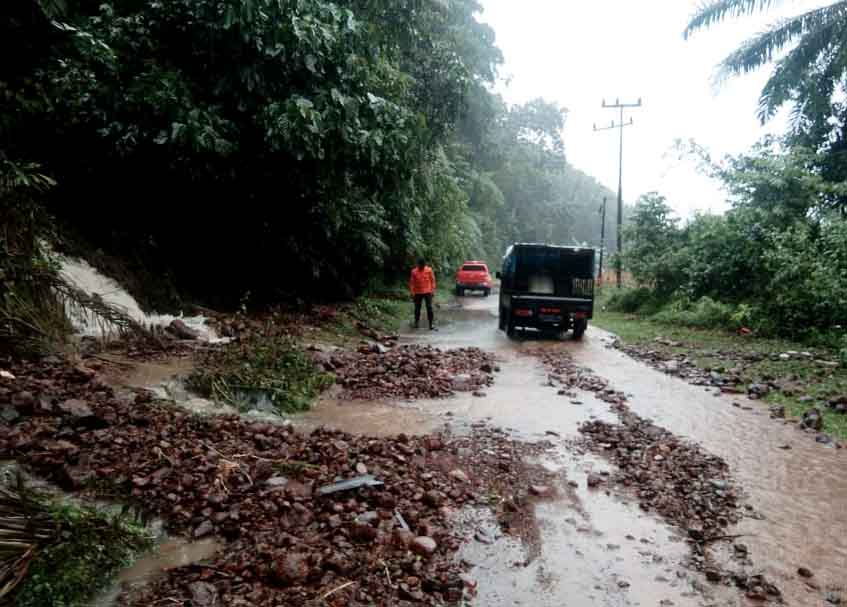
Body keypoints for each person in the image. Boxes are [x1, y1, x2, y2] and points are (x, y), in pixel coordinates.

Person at [409, 258, 436, 330]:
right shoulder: (414, 271)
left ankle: (431, 324)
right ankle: (416, 323)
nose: (421, 267)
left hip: (428, 292)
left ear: (425, 265)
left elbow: (433, 281)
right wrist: (412, 292)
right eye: (420, 266)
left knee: (429, 308)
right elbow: (412, 283)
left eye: (423, 266)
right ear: (418, 265)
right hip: (417, 292)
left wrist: (432, 291)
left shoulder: (429, 270)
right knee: (417, 308)